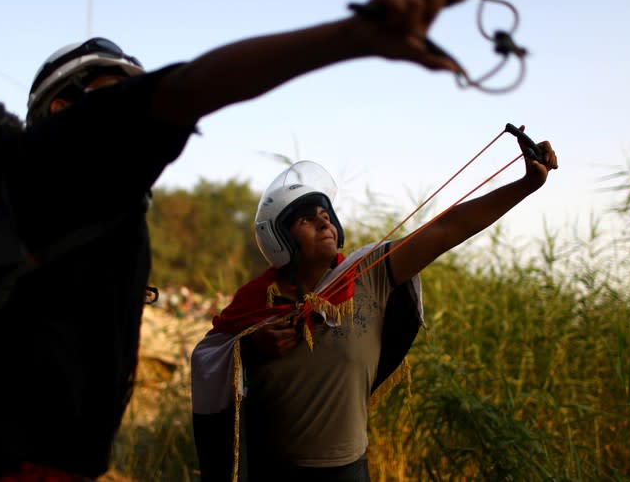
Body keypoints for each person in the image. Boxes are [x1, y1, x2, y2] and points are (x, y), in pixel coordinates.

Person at [0, 0, 493, 481]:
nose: (144, 122)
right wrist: (356, 36)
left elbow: (443, 231)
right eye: (115, 99)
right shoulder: (49, 176)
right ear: (60, 113)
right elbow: (191, 88)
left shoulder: (94, 218)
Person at [191, 142, 557, 481]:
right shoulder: (256, 304)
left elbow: (447, 228)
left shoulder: (370, 273)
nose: (324, 222)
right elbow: (208, 358)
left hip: (348, 471)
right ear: (277, 238)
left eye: (326, 214)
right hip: (272, 472)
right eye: (305, 219)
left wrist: (525, 184)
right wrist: (251, 347)